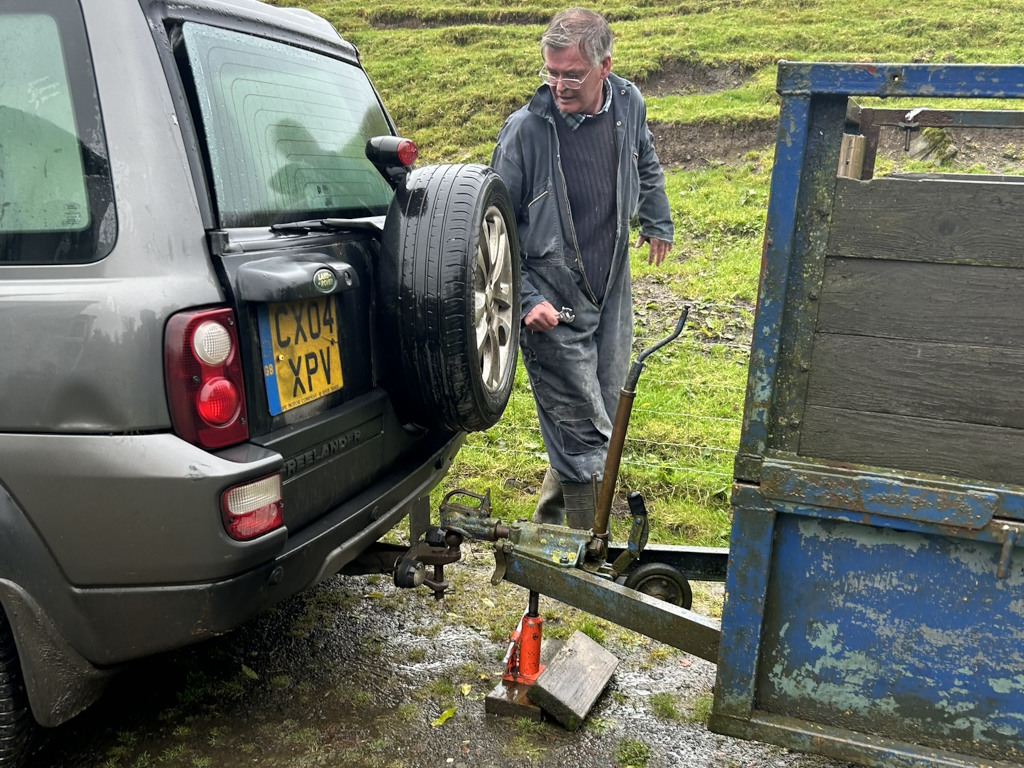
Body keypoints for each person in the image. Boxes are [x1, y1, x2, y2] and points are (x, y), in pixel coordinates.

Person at [491, 7, 674, 530]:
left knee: (603, 414)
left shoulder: (628, 104)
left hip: (610, 287)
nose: (559, 85)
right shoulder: (524, 131)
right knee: (581, 429)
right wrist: (525, 300)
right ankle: (586, 551)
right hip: (550, 298)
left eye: (571, 74)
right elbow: (493, 228)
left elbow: (645, 158)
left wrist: (656, 219)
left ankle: (547, 533)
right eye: (550, 72)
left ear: (605, 67)